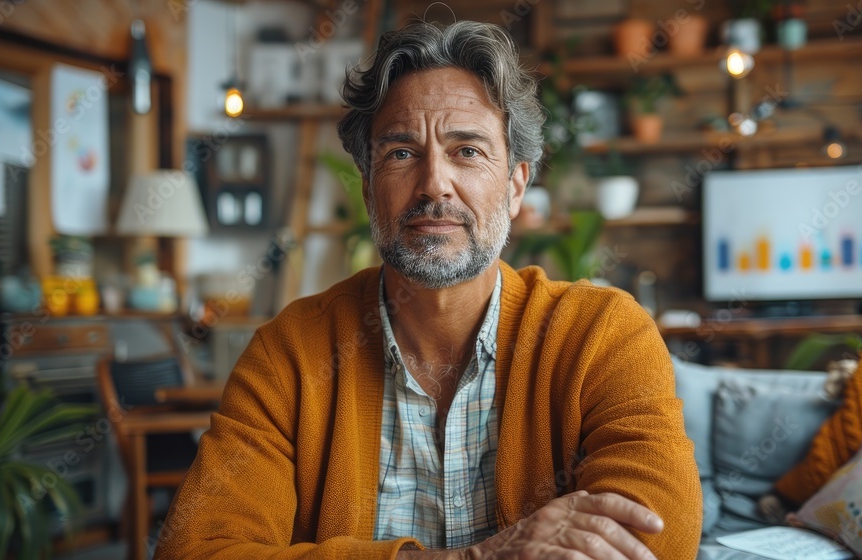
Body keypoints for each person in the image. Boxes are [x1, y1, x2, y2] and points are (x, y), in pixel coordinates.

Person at [155, 20, 701, 560]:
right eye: (400, 153)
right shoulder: (291, 355)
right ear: (369, 191)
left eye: (467, 150)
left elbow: (657, 537)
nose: (434, 182)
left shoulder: (603, 335)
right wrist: (472, 559)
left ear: (515, 186)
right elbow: (195, 550)